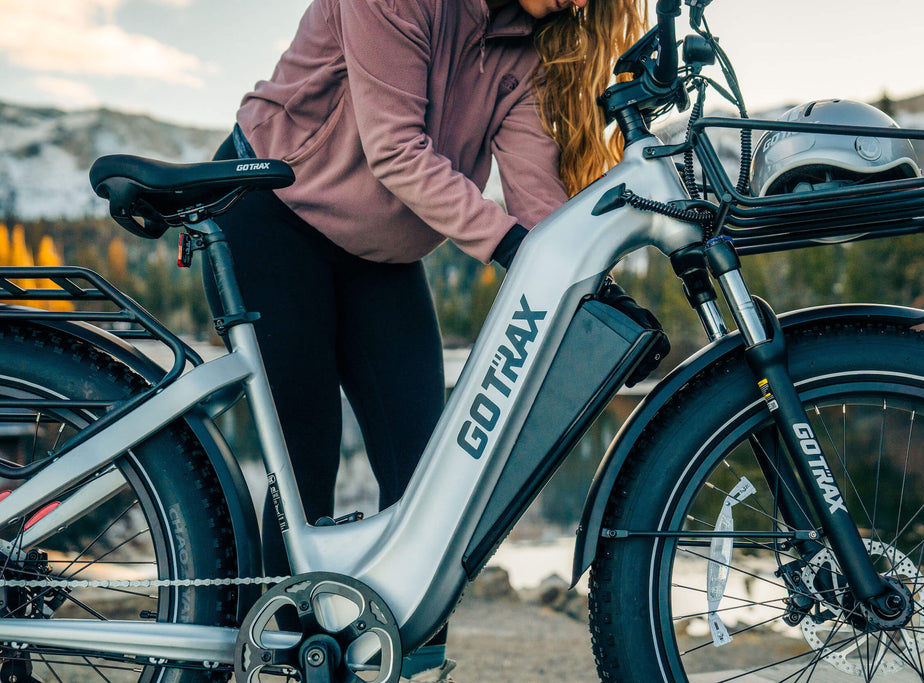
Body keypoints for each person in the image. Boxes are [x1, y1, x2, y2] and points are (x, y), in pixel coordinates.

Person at [207, 0, 652, 680]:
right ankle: (284, 655)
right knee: (304, 461)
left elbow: (536, 203)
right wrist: (516, 251)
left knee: (434, 474)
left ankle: (408, 661)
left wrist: (592, 293)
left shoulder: (518, 52)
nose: (579, 2)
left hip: (381, 257)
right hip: (274, 211)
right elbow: (394, 148)